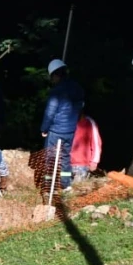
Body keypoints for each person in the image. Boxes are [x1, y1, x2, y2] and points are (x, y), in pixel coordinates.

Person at [39, 58, 85, 194]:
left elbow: (50, 112)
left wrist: (44, 129)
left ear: (55, 75)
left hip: (56, 130)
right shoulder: (78, 88)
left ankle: (48, 186)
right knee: (65, 157)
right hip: (70, 130)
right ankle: (66, 185)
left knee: (50, 158)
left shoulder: (56, 91)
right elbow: (80, 107)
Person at [70, 112, 102, 182]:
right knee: (64, 189)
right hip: (66, 164)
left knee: (77, 189)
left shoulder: (90, 122)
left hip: (82, 165)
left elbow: (96, 143)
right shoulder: (67, 121)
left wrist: (94, 161)